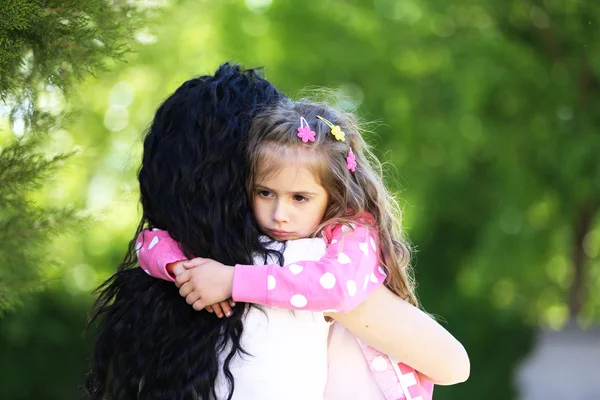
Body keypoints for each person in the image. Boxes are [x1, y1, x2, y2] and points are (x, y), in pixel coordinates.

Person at [87, 63, 469, 400]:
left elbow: (148, 243)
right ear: (244, 173)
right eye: (264, 190)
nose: (279, 212)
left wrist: (187, 271)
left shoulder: (158, 293)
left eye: (299, 196)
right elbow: (452, 365)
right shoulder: (302, 263)